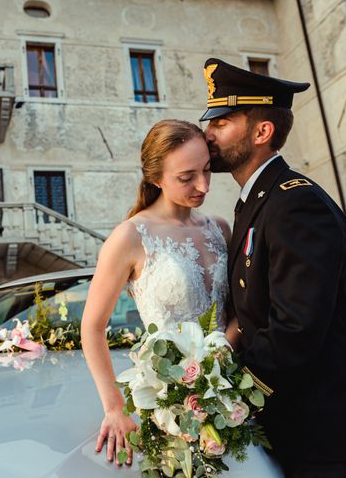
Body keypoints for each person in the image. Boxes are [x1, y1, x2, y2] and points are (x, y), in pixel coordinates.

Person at [200, 57, 346, 477]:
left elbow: (295, 328)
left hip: (333, 436)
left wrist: (224, 395)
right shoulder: (259, 202)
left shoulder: (296, 204)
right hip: (298, 428)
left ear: (262, 131)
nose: (208, 133)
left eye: (221, 122)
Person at [81, 119, 283, 476]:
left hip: (233, 396)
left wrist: (219, 360)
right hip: (171, 410)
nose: (202, 185)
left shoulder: (219, 227)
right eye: (186, 177)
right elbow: (92, 328)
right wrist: (114, 408)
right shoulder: (129, 238)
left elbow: (239, 311)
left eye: (207, 170)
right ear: (156, 178)